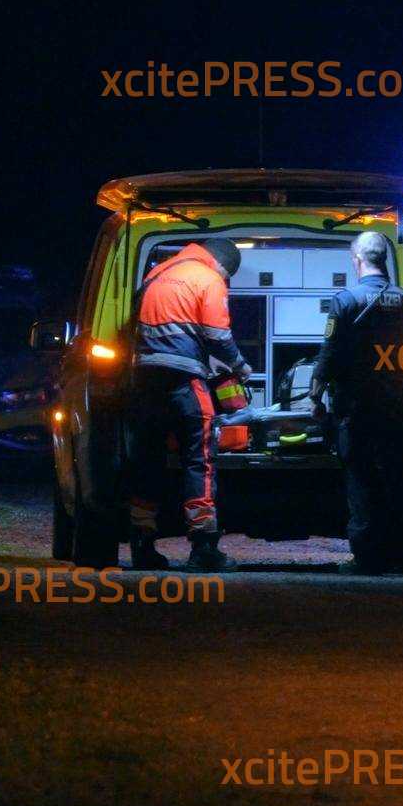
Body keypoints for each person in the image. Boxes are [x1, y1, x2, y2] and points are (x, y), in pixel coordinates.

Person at [310, 230, 403, 575]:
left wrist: (315, 394)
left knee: (362, 481)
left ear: (356, 260)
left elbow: (330, 355)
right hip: (400, 407)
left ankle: (367, 556)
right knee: (399, 478)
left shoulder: (346, 301)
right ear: (384, 259)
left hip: (358, 409)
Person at [127, 237, 252, 571]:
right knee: (200, 459)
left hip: (144, 382)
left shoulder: (155, 275)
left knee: (147, 461)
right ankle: (203, 547)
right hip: (185, 383)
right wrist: (241, 367)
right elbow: (218, 335)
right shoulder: (208, 278)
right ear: (222, 266)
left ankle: (142, 544)